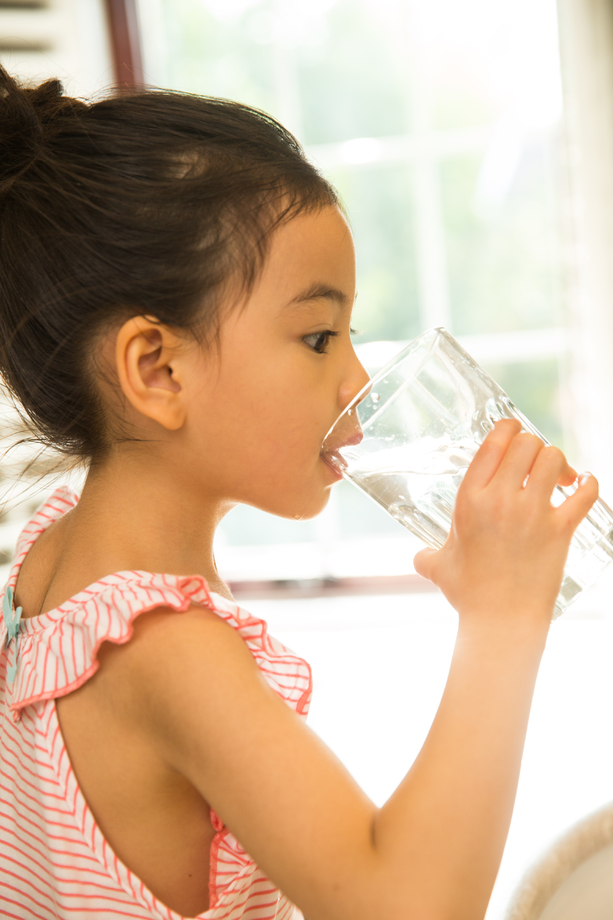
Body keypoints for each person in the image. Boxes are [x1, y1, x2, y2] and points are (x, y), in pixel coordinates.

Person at [0, 64, 598, 920]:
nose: (356, 379)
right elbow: (407, 909)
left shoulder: (54, 559)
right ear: (158, 370)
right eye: (318, 337)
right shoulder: (167, 650)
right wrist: (502, 616)